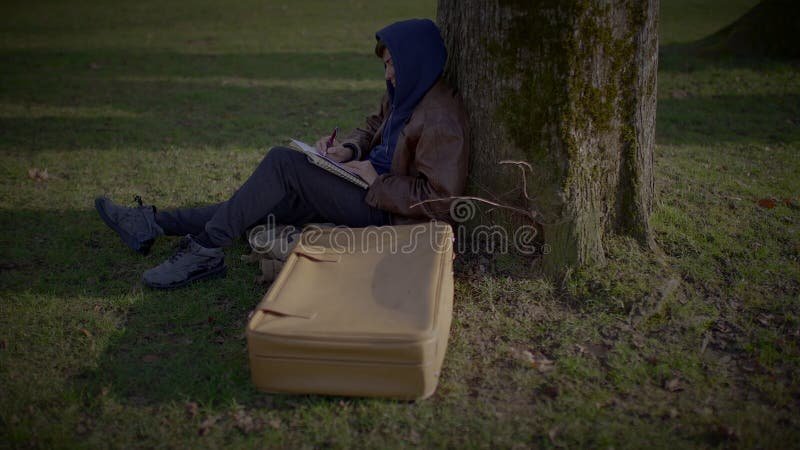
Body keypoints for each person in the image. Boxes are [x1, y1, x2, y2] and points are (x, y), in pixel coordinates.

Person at [94, 18, 469, 289]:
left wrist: (378, 179)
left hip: (385, 211)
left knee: (282, 164)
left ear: (415, 61)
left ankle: (205, 252)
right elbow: (374, 127)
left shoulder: (440, 119)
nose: (387, 74)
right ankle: (152, 223)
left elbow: (442, 200)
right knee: (258, 202)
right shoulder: (405, 92)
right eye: (386, 65)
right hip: (359, 185)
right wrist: (348, 149)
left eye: (392, 65)